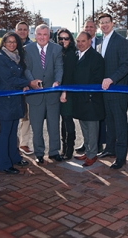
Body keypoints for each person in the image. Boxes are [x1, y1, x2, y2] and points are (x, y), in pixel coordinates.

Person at [0, 32, 30, 174]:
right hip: (4, 101)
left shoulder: (17, 57)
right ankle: (3, 163)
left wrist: (23, 85)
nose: (12, 44)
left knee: (13, 132)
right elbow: (8, 79)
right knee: (5, 132)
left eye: (14, 41)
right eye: (8, 42)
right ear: (3, 43)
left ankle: (14, 157)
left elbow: (18, 77)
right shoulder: (1, 58)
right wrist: (28, 83)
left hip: (15, 100)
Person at [24, 24, 64, 164]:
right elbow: (26, 68)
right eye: (39, 34)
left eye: (45, 34)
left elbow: (59, 67)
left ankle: (54, 152)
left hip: (52, 95)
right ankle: (39, 153)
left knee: (54, 126)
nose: (42, 37)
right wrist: (31, 81)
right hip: (35, 95)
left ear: (49, 35)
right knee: (37, 127)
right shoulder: (27, 49)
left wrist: (57, 81)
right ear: (35, 35)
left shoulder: (57, 49)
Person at [97, 13, 128, 169]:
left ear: (112, 23)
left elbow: (126, 65)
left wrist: (112, 79)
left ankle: (121, 156)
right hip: (104, 92)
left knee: (120, 124)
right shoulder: (100, 43)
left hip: (117, 90)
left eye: (107, 22)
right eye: (102, 23)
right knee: (109, 122)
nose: (104, 25)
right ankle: (109, 149)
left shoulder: (121, 42)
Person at [71, 31, 105, 167]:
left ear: (90, 41)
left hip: (91, 99)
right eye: (78, 41)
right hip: (79, 99)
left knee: (92, 129)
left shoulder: (96, 57)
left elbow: (98, 79)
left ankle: (92, 155)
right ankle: (88, 150)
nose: (80, 44)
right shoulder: (76, 55)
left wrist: (89, 95)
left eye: (83, 41)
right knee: (84, 127)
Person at [57, 28, 77, 160]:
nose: (63, 41)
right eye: (61, 38)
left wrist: (64, 92)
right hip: (57, 91)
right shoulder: (58, 52)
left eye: (66, 38)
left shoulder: (70, 54)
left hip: (67, 92)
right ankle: (64, 148)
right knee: (63, 122)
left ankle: (69, 150)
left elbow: (69, 75)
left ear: (70, 40)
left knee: (67, 120)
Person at [15, 21, 34, 156]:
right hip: (13, 87)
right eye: (20, 29)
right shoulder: (10, 43)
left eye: (25, 29)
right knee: (14, 116)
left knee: (26, 117)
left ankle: (24, 143)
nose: (22, 31)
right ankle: (14, 144)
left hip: (27, 86)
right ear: (16, 30)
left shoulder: (32, 46)